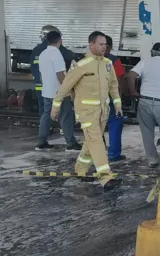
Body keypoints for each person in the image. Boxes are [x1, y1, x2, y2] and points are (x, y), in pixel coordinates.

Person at [51, 31, 123, 192]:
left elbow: (113, 86)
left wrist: (117, 105)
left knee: (91, 142)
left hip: (103, 112)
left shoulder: (107, 64)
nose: (104, 47)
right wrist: (55, 107)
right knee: (97, 141)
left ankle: (80, 169)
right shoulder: (81, 65)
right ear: (91, 45)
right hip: (86, 112)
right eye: (101, 44)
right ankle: (106, 177)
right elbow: (65, 87)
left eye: (105, 44)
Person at [36, 30, 81, 151]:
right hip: (59, 92)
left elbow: (41, 74)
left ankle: (41, 142)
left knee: (47, 115)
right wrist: (68, 90)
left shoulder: (43, 54)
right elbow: (60, 74)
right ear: (60, 41)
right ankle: (71, 143)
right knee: (66, 116)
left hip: (46, 91)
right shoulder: (57, 54)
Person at [30, 25, 74, 118]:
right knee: (60, 109)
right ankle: (60, 128)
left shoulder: (36, 50)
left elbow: (32, 67)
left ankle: (45, 129)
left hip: (40, 85)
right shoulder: (56, 49)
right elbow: (69, 56)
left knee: (44, 110)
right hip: (54, 86)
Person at [104, 35, 129, 162]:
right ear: (110, 46)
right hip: (110, 99)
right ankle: (113, 154)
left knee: (95, 129)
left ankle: (97, 153)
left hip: (91, 100)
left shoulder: (87, 59)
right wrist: (119, 98)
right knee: (114, 125)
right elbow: (120, 79)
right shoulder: (114, 61)